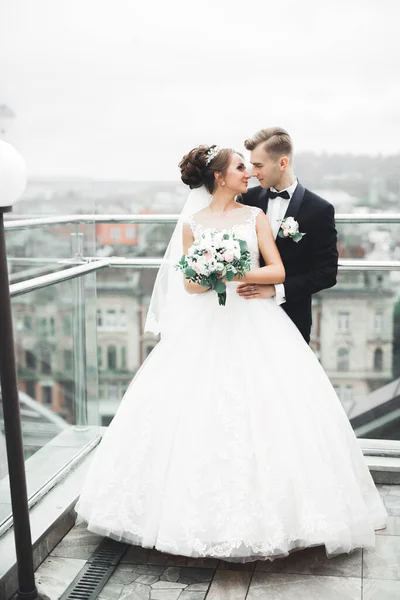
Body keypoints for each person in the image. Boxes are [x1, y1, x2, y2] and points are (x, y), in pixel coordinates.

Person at [75, 145, 386, 563]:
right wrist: (210, 273)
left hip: (255, 319)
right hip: (206, 324)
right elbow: (188, 285)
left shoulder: (254, 216)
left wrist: (236, 270)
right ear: (219, 177)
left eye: (249, 166)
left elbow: (276, 270)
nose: (249, 174)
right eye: (241, 167)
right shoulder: (190, 224)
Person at [238, 127, 338, 343]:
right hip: (245, 314)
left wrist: (276, 290)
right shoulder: (247, 200)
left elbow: (327, 273)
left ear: (282, 163)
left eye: (258, 165)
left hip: (292, 317)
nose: (252, 172)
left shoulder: (319, 210)